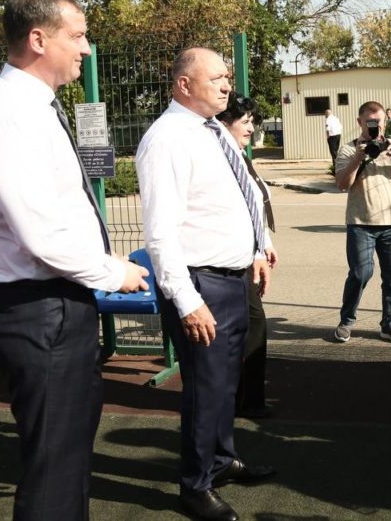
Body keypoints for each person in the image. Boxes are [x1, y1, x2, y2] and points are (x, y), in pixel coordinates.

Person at [0, 0, 149, 520]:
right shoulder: (8, 114)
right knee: (54, 471)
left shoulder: (30, 107)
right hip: (38, 307)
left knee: (65, 460)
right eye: (78, 35)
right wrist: (114, 271)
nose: (86, 48)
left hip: (54, 304)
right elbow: (41, 234)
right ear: (39, 39)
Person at [137, 48, 276, 521]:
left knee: (226, 381)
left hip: (234, 278)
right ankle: (195, 486)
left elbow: (237, 197)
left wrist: (257, 250)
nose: (226, 85)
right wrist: (187, 299)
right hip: (201, 283)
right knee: (206, 386)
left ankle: (220, 460)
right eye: (216, 77)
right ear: (183, 85)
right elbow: (160, 232)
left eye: (226, 77)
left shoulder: (214, 130)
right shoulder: (167, 139)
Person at [333, 102, 391, 343]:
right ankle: (347, 320)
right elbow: (342, 184)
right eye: (370, 122)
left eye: (378, 122)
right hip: (360, 222)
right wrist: (359, 157)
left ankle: (390, 324)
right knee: (360, 273)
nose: (375, 126)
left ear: (385, 122)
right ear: (360, 122)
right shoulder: (349, 150)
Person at [217, 93, 278, 420]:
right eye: (245, 121)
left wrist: (264, 242)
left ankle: (247, 398)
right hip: (229, 260)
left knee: (251, 325)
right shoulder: (222, 156)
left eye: (253, 121)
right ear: (224, 123)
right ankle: (242, 399)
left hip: (246, 256)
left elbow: (255, 201)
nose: (251, 128)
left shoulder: (238, 155)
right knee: (249, 327)